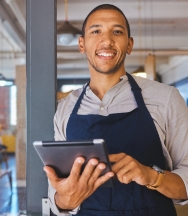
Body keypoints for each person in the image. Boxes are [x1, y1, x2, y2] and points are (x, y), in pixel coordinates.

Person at [44, 4, 188, 216]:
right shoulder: (66, 107)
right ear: (81, 44)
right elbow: (58, 198)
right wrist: (64, 200)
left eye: (117, 31)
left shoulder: (166, 98)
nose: (107, 40)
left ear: (129, 45)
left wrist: (151, 176)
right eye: (96, 31)